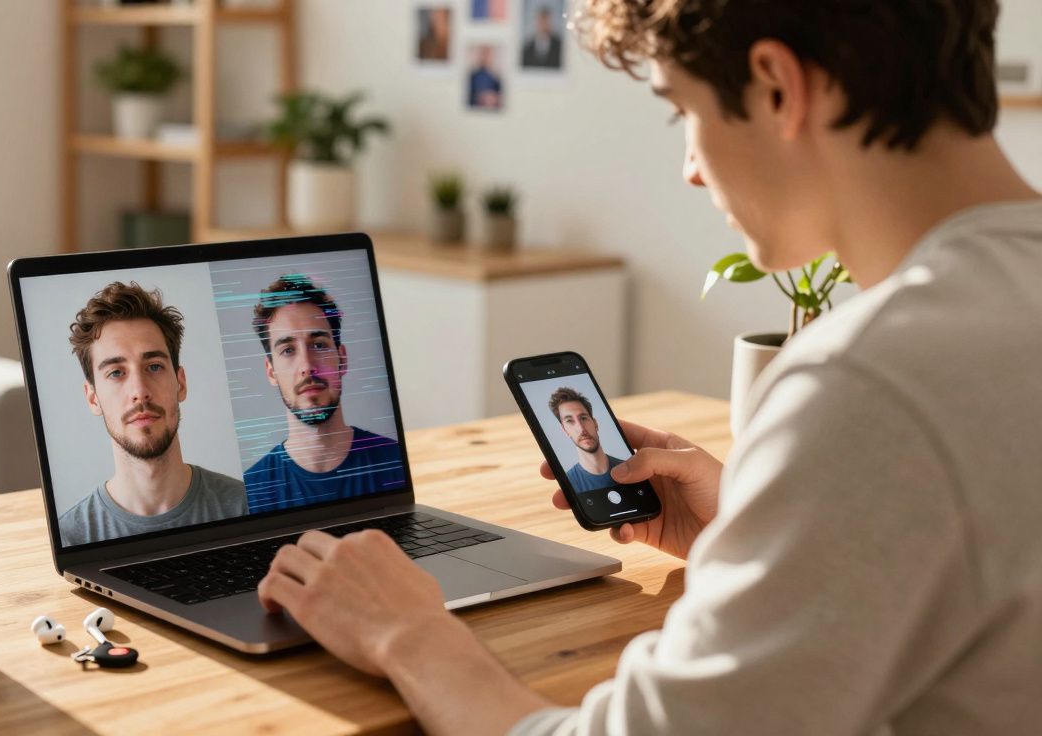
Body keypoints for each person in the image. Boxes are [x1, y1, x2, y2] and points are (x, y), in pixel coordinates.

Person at [256, 1, 1042, 733]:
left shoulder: (871, 383)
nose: (692, 169)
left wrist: (410, 634)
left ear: (777, 87)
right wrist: (755, 536)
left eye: (683, 112)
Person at [58, 282, 247, 546]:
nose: (140, 391)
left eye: (154, 367)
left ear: (180, 383)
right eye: (116, 372)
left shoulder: (247, 509)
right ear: (93, 398)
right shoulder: (72, 538)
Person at [243, 274, 405, 512]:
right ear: (271, 372)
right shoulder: (251, 492)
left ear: (342, 358)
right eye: (288, 350)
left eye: (318, 345)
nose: (307, 365)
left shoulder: (394, 463)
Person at [549, 387, 625, 491]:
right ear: (565, 430)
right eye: (570, 421)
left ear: (595, 423)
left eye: (583, 418)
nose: (581, 428)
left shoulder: (627, 468)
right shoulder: (570, 483)